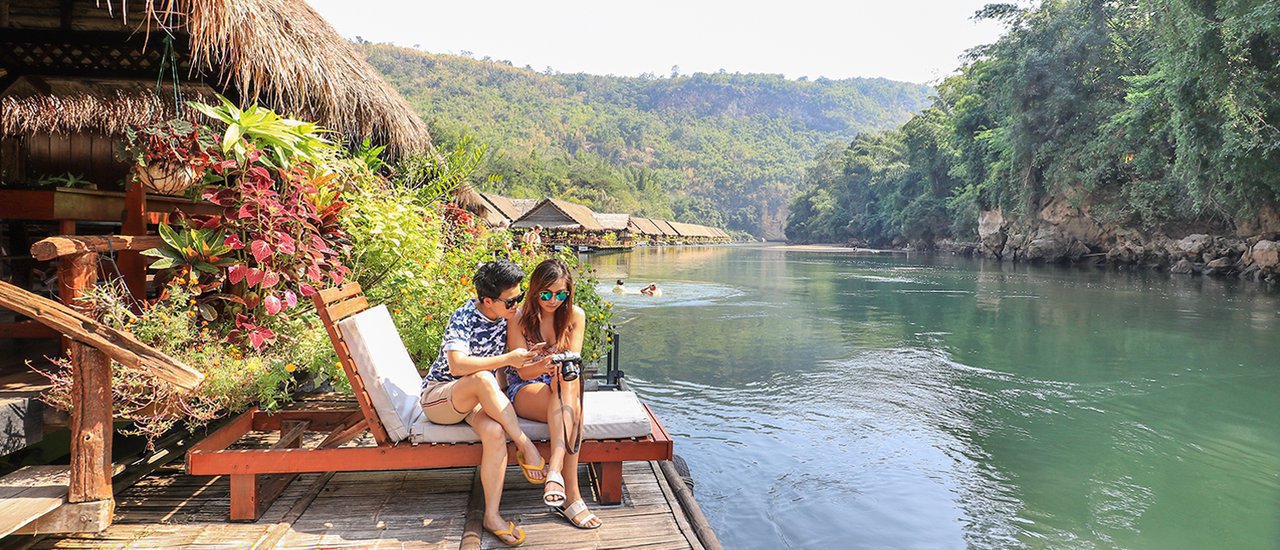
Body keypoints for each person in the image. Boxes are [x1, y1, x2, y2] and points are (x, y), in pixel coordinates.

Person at [421, 259, 551, 546]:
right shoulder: (464, 316)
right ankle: (525, 445)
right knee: (481, 378)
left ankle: (491, 516)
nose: (516, 305)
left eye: (519, 297)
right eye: (510, 301)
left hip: (477, 398)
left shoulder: (506, 317)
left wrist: (531, 356)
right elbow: (456, 365)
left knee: (494, 432)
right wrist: (507, 359)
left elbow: (513, 362)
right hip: (441, 396)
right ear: (488, 300)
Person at [506, 259, 604, 529]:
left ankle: (554, 472)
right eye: (546, 294)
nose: (553, 300)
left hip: (561, 386)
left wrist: (558, 367)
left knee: (566, 380)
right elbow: (522, 372)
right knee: (574, 411)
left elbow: (574, 361)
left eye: (561, 294)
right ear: (535, 290)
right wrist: (542, 364)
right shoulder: (519, 319)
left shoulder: (575, 316)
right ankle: (571, 495)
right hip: (526, 388)